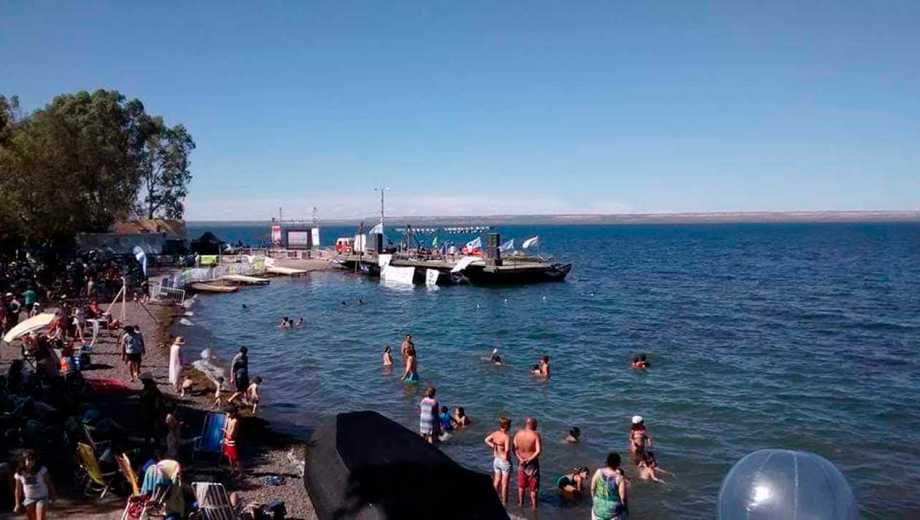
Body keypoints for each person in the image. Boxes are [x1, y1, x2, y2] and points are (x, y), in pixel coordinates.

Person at [14, 449, 55, 520]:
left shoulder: (41, 470)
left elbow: (49, 483)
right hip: (29, 498)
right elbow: (18, 490)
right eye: (29, 460)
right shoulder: (19, 473)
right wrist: (17, 504)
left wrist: (53, 496)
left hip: (42, 497)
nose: (31, 462)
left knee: (40, 518)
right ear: (24, 460)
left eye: (33, 460)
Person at [513, 417, 543, 509]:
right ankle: (534, 507)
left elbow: (514, 449)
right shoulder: (535, 435)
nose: (536, 427)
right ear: (532, 424)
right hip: (532, 465)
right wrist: (529, 460)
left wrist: (520, 459)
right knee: (533, 489)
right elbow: (538, 451)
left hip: (521, 463)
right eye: (536, 425)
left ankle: (521, 504)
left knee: (521, 486)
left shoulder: (518, 434)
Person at [591, 453, 628, 520]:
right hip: (612, 512)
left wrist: (594, 501)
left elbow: (592, 488)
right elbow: (623, 498)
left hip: (597, 509)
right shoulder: (619, 478)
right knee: (624, 513)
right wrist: (626, 508)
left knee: (594, 509)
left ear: (607, 462)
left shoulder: (598, 472)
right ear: (618, 464)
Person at [484, 417, 513, 505]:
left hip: (496, 459)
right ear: (506, 426)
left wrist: (493, 446)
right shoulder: (506, 436)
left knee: (496, 481)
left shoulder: (495, 433)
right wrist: (507, 458)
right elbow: (507, 450)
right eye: (509, 425)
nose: (510, 427)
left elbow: (486, 440)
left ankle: (492, 500)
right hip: (504, 461)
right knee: (504, 485)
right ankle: (504, 503)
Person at [223, 406, 242, 477]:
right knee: (229, 457)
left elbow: (231, 435)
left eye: (229, 413)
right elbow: (226, 425)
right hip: (228, 440)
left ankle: (241, 473)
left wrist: (224, 430)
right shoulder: (229, 418)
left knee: (236, 458)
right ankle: (232, 470)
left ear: (233, 413)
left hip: (232, 441)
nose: (227, 414)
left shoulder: (235, 421)